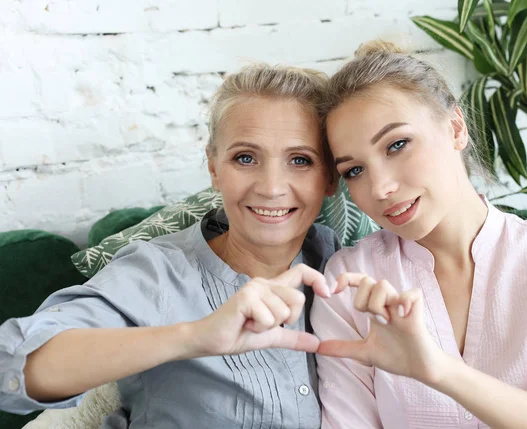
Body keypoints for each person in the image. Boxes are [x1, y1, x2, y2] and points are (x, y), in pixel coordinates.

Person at [0, 64, 340, 429]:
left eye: (300, 160)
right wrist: (194, 337)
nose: (271, 187)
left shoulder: (340, 261)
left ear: (332, 177)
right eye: (245, 157)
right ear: (213, 167)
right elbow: (13, 369)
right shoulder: (157, 272)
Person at [311, 40, 527, 429]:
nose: (379, 188)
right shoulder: (349, 284)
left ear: (455, 127)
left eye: (397, 145)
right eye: (354, 171)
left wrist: (441, 372)